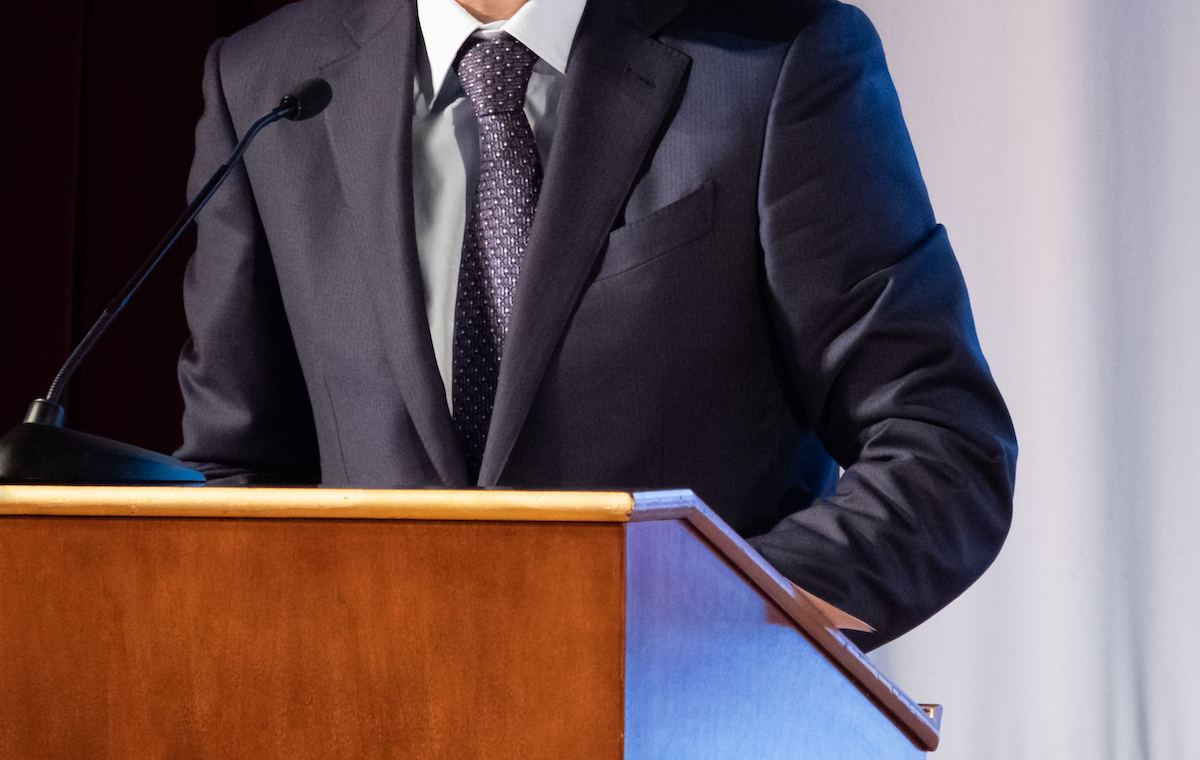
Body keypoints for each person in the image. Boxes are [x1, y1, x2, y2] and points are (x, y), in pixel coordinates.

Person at [176, 0, 1017, 650]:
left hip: (681, 719)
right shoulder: (268, 84)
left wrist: (716, 615)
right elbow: (233, 476)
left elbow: (943, 444)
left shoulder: (777, 58)